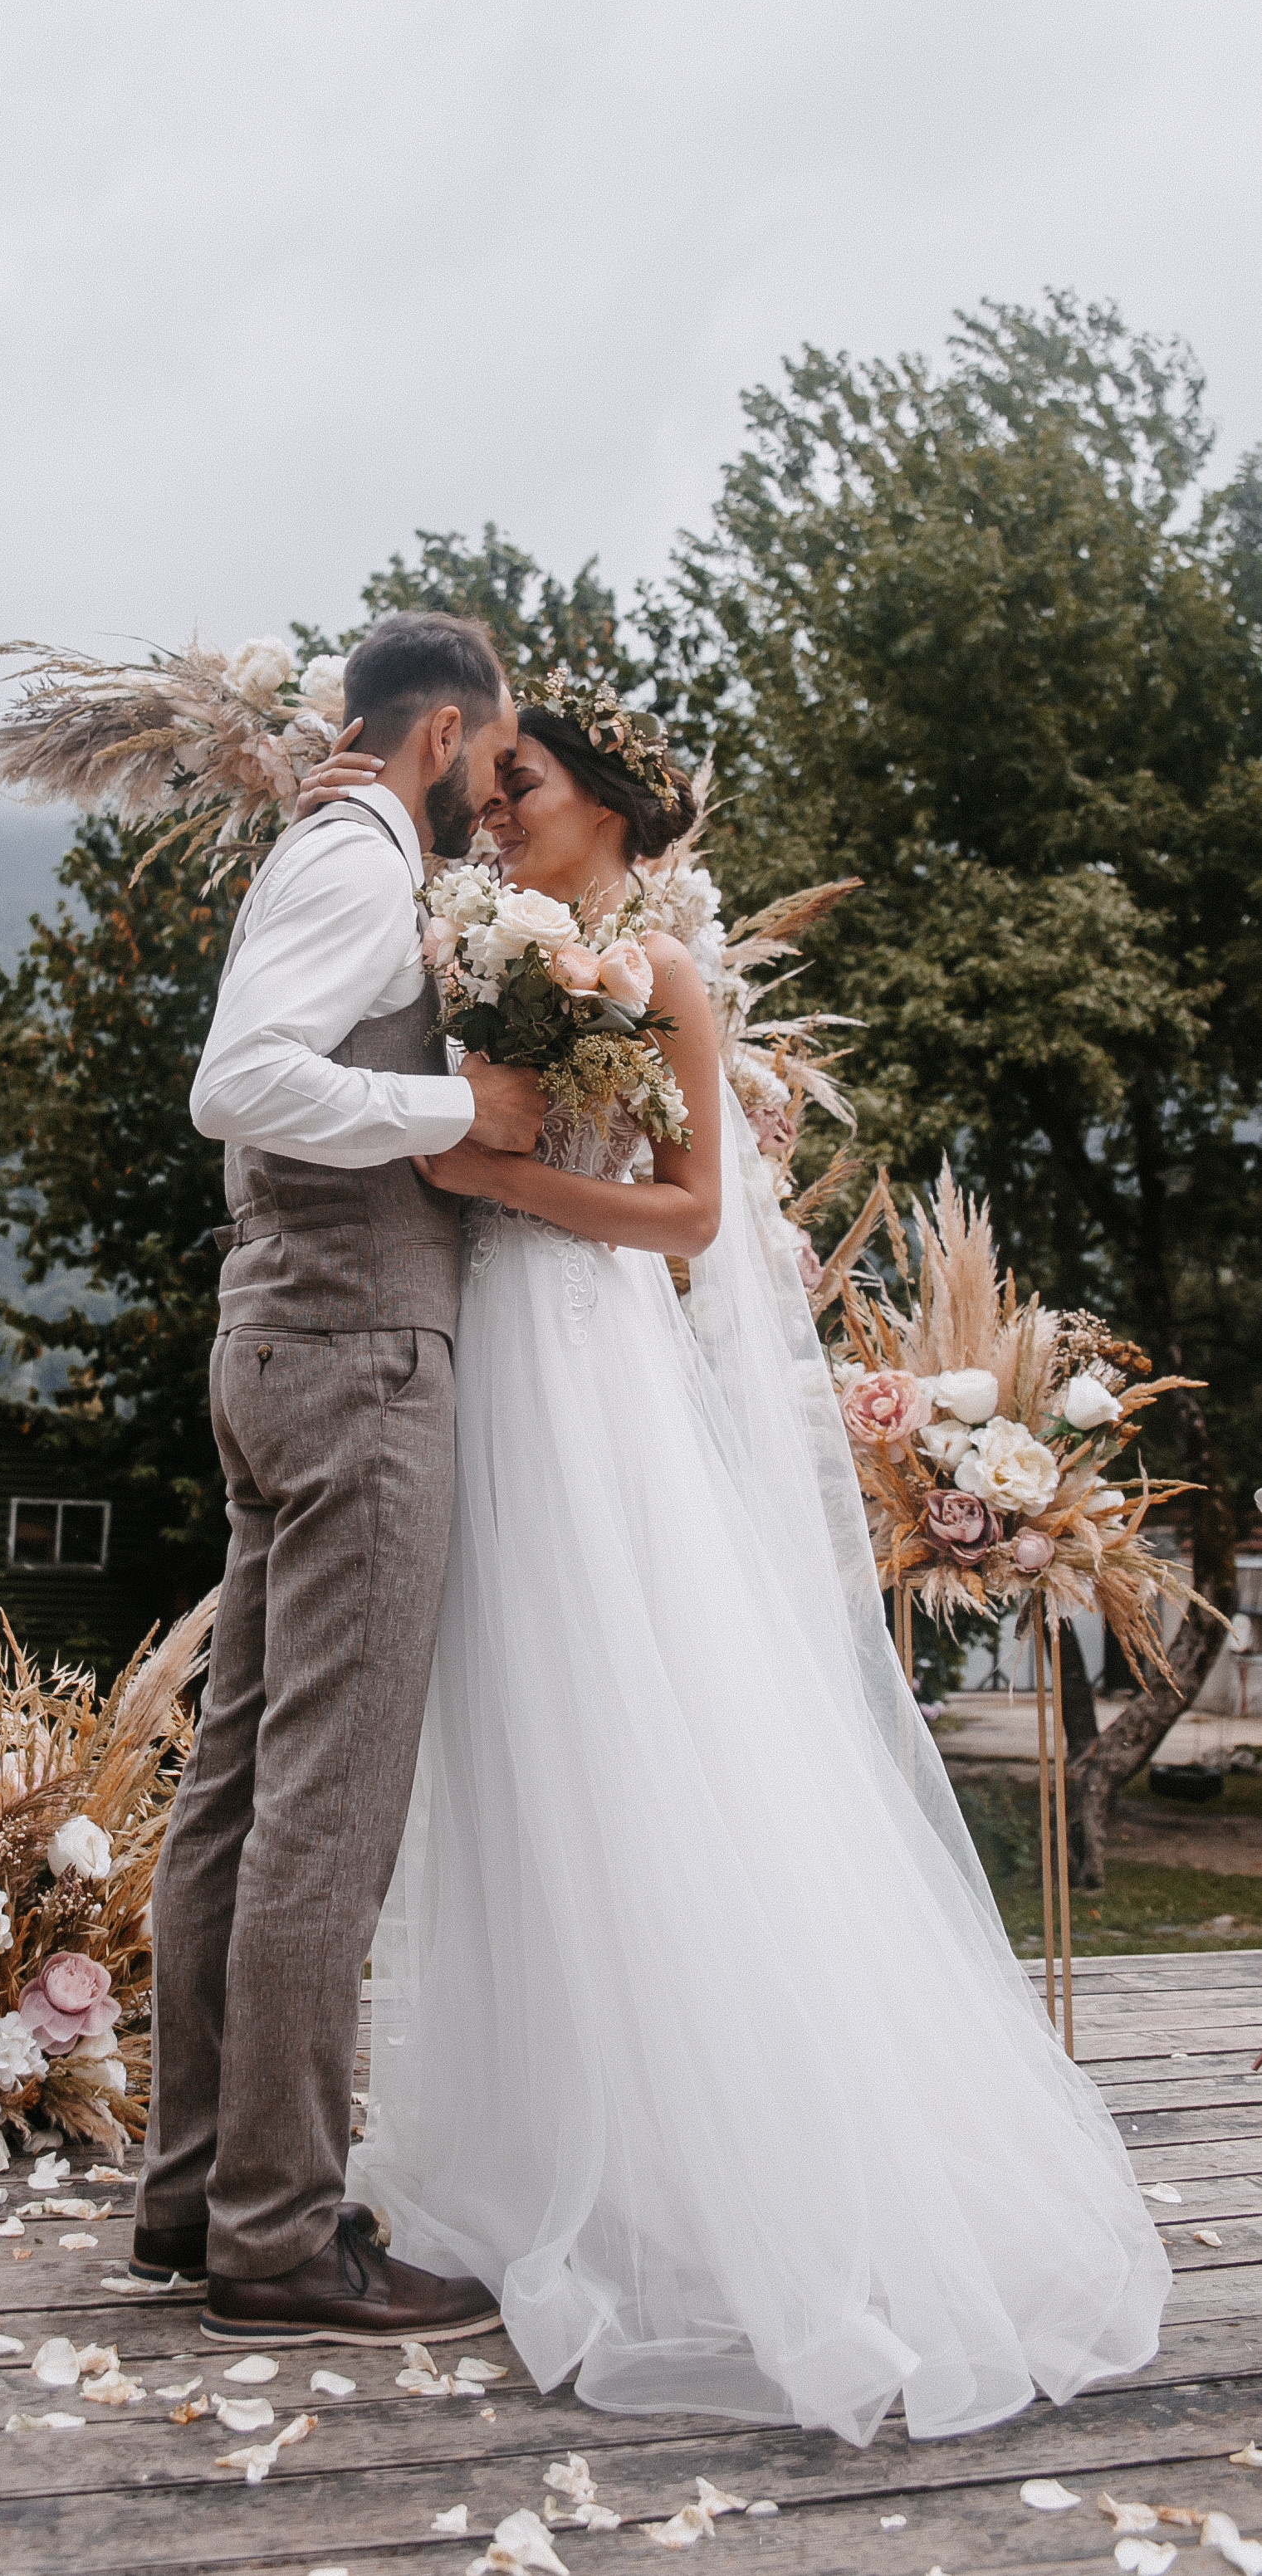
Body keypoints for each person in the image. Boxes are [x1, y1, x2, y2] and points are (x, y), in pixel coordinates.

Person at [296, 675, 1170, 2445]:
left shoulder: (661, 976)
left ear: (609, 804)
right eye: (482, 786)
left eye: (519, 783)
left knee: (620, 1717)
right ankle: (540, 2136)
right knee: (509, 1737)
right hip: (483, 1355)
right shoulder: (477, 938)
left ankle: (710, 2172)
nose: (492, 809)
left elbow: (693, 1216)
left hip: (587, 1361)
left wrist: (502, 1180)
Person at [135, 611, 548, 2347]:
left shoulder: (343, 844)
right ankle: (281, 2235)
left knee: (238, 1781)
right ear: (441, 728)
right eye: (495, 752)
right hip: (357, 1354)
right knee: (328, 1798)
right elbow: (238, 1082)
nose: (497, 787)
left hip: (287, 1345)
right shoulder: (362, 860)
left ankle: (199, 2192)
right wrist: (453, 1111)